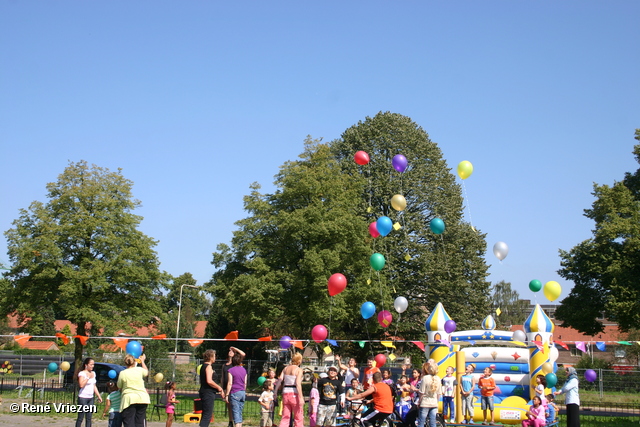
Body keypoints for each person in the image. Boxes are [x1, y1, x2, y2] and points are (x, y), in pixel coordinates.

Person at [118, 354, 150, 427]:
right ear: (134, 362)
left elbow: (119, 386)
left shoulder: (123, 373)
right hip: (142, 398)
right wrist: (142, 361)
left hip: (129, 399)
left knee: (129, 422)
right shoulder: (139, 370)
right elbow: (146, 372)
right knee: (140, 421)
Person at [199, 349, 225, 427]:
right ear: (210, 357)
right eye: (214, 356)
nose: (215, 357)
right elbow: (209, 381)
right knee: (207, 415)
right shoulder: (208, 367)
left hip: (204, 391)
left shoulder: (203, 366)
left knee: (205, 414)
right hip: (208, 392)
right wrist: (219, 388)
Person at [222, 346, 246, 427]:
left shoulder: (235, 364)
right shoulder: (225, 365)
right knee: (230, 407)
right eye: (229, 351)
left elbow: (243, 354)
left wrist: (236, 348)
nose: (230, 352)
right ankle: (230, 421)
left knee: (236, 409)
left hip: (235, 388)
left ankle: (237, 423)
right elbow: (223, 378)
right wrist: (222, 389)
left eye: (232, 351)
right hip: (228, 388)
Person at [278, 352, 304, 427]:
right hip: (294, 393)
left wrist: (276, 392)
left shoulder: (285, 368)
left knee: (285, 417)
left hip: (285, 393)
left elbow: (280, 380)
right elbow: (298, 383)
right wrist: (301, 397)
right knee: (298, 416)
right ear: (299, 361)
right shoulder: (299, 370)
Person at [76, 357, 103, 427]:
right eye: (91, 364)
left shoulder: (93, 373)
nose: (92, 366)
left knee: (89, 418)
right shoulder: (82, 373)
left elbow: (94, 385)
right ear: (86, 365)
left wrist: (98, 396)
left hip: (90, 398)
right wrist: (87, 377)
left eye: (93, 364)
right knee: (80, 417)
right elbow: (81, 385)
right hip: (83, 397)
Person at [416, 360, 441, 427]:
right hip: (434, 403)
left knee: (421, 422)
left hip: (425, 402)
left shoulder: (425, 378)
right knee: (433, 422)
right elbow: (439, 393)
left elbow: (421, 392)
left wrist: (419, 402)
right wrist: (437, 402)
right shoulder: (438, 378)